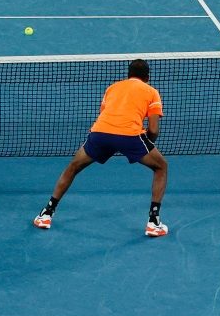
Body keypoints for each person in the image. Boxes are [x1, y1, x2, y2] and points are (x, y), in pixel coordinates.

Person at [33, 59, 169, 237]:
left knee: (73, 167)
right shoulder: (152, 92)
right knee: (161, 167)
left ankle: (47, 214)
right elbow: (153, 129)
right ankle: (153, 222)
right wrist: (146, 145)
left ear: (128, 75)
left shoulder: (112, 88)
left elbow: (106, 114)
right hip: (130, 137)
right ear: (147, 77)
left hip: (100, 134)